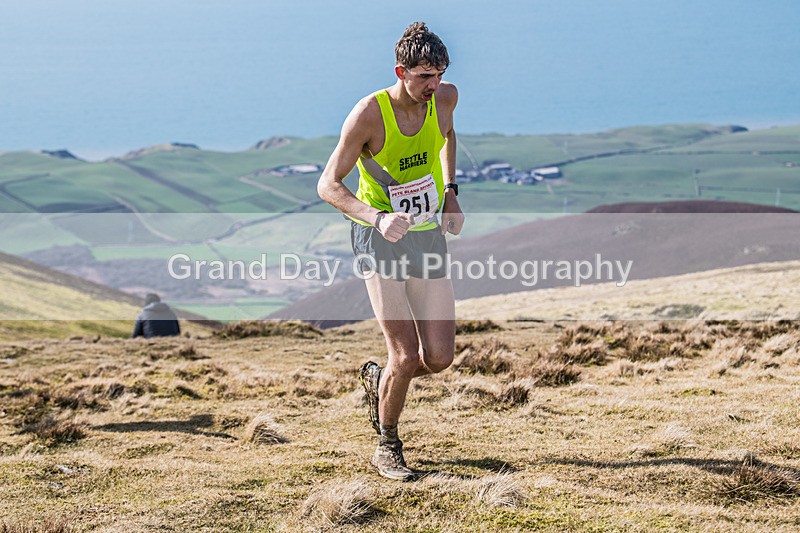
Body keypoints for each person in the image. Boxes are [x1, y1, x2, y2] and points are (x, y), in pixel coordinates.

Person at [317, 21, 464, 481]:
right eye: (423, 76)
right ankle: (388, 445)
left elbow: (448, 136)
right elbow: (327, 185)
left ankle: (380, 385)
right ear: (401, 71)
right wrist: (378, 217)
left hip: (425, 235)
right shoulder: (368, 114)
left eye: (439, 74)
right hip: (379, 238)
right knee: (404, 355)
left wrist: (452, 192)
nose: (433, 85)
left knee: (438, 357)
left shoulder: (444, 97)